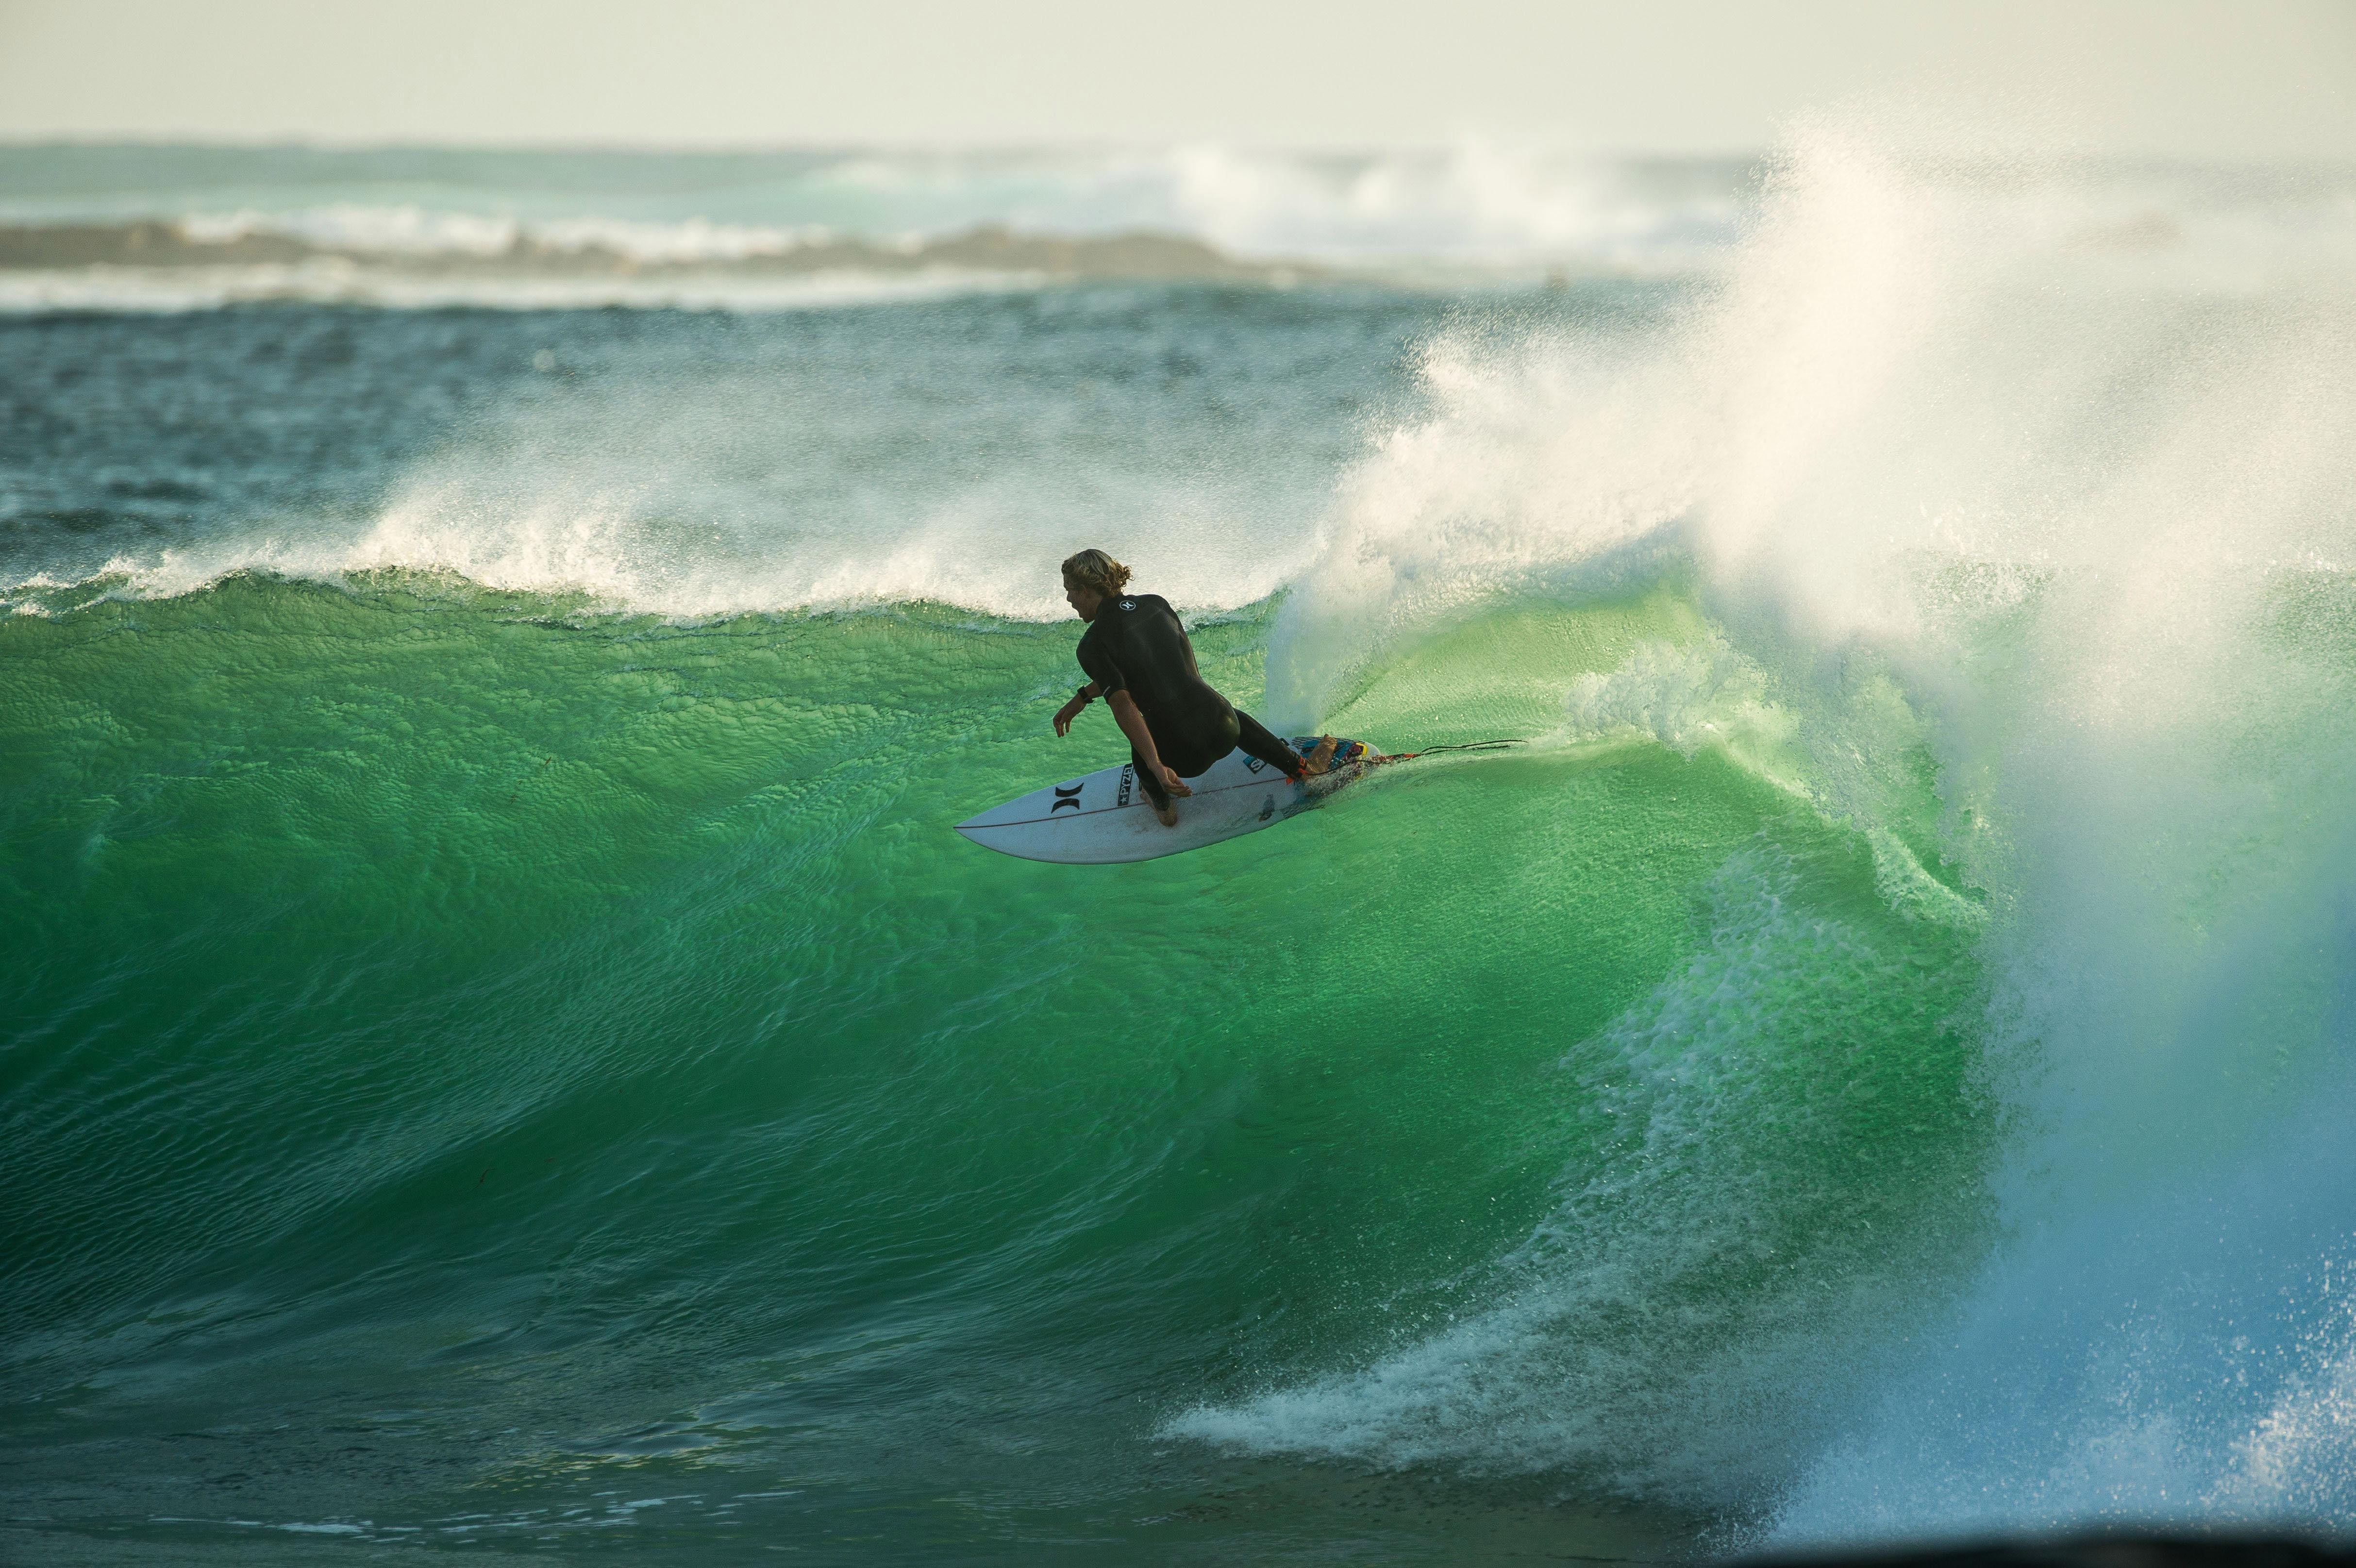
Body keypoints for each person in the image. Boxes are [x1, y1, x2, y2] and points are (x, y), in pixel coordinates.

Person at [1052, 549, 1332, 827]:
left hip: (1183, 755)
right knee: (1225, 711)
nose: (1068, 599)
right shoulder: (1156, 605)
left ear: (1087, 590)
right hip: (1225, 728)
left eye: (1070, 591)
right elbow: (1148, 667)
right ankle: (1304, 770)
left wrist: (1157, 767)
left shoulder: (1091, 645)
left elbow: (1124, 705)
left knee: (1142, 753)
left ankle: (1163, 809)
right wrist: (1084, 695)